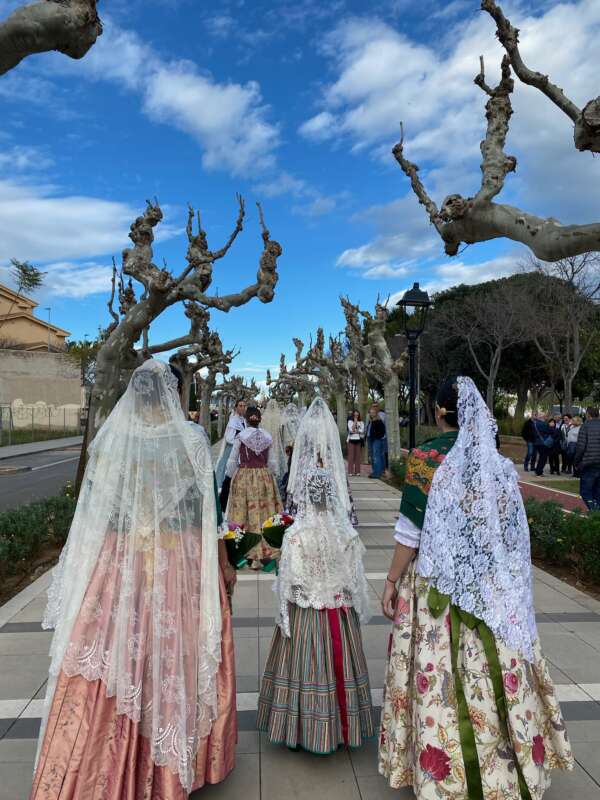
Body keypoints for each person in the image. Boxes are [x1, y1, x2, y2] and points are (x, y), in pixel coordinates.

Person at [30, 359, 237, 800]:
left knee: (120, 648)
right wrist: (222, 564)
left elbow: (97, 511)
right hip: (178, 557)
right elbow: (209, 514)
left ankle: (97, 764)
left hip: (120, 558)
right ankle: (171, 762)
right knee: (174, 650)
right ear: (173, 393)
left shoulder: (111, 439)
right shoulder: (192, 438)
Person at [378, 376, 574, 798]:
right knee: (493, 673)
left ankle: (446, 774)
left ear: (441, 412)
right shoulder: (496, 463)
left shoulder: (426, 458)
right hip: (490, 586)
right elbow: (509, 534)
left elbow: (410, 533)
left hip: (436, 588)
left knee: (441, 678)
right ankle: (505, 767)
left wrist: (392, 581)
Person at [258, 396, 374, 753]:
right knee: (341, 666)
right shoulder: (347, 535)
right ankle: (342, 726)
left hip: (306, 614)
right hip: (338, 615)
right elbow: (356, 584)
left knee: (303, 668)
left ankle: (301, 728)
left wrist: (285, 618)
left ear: (305, 495)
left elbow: (287, 586)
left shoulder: (295, 535)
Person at [225, 406, 283, 566]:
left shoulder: (240, 437)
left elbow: (232, 459)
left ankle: (245, 553)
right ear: (259, 420)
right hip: (264, 476)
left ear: (246, 420)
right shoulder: (267, 437)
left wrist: (230, 476)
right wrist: (274, 475)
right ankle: (265, 552)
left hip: (244, 476)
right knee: (265, 512)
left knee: (242, 513)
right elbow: (272, 461)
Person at [215, 399, 246, 490]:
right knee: (226, 469)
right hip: (232, 450)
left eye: (244, 406)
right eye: (240, 406)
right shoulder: (233, 420)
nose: (243, 408)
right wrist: (240, 441)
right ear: (236, 408)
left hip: (240, 450)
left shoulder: (243, 420)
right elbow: (228, 438)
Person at [574, 407, 600, 511]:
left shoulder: (585, 426)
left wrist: (576, 462)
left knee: (585, 491)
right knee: (598, 491)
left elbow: (580, 447)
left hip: (589, 463)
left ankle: (595, 512)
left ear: (588, 415)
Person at [261, 398, 287, 482]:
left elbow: (261, 428)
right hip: (275, 439)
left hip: (267, 439)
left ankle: (268, 471)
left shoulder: (264, 416)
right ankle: (276, 471)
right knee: (276, 454)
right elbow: (282, 428)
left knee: (268, 455)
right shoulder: (279, 416)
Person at [367, 405, 386, 479]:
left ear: (376, 413)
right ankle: (376, 471)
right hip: (372, 440)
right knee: (374, 456)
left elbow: (382, 431)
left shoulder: (379, 421)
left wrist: (377, 437)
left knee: (376, 456)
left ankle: (377, 473)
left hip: (377, 440)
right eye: (370, 412)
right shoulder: (372, 421)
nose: (371, 414)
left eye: (373, 413)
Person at [533, 412, 553, 476]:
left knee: (541, 457)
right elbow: (550, 431)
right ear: (542, 417)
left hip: (536, 442)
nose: (545, 417)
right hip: (543, 442)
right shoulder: (543, 424)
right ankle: (539, 472)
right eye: (544, 416)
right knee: (543, 458)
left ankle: (537, 470)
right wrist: (551, 426)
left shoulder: (534, 423)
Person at [347, 409, 365, 476]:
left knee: (358, 456)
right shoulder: (350, 421)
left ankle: (357, 471)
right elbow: (351, 430)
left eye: (357, 415)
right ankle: (350, 471)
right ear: (353, 415)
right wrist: (355, 422)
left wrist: (355, 431)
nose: (356, 416)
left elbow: (362, 431)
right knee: (351, 456)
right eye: (355, 415)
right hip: (351, 439)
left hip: (358, 440)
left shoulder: (361, 422)